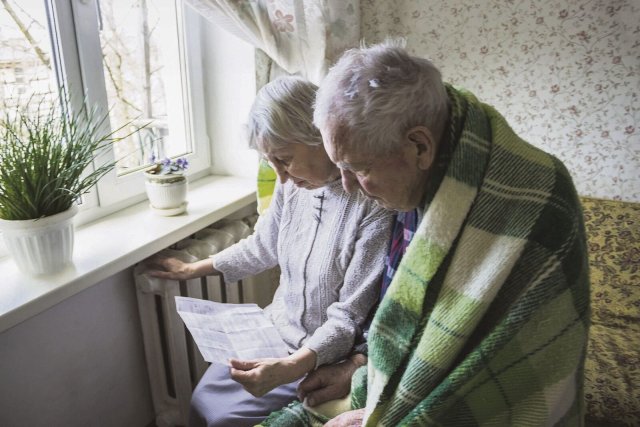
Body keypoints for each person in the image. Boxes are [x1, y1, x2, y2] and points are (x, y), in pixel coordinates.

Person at [260, 41, 590, 427]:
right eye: (339, 167)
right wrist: (358, 365)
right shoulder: (412, 179)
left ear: (420, 146)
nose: (347, 186)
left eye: (357, 168)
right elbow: (401, 311)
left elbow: (506, 368)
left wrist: (377, 417)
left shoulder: (537, 200)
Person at [145, 75, 393, 427]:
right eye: (270, 161)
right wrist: (190, 269)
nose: (281, 175)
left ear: (319, 137)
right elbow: (263, 246)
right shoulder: (291, 186)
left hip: (320, 356)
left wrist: (292, 366)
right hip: (272, 331)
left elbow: (348, 317)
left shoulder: (372, 204)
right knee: (202, 400)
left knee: (225, 420)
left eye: (285, 159)